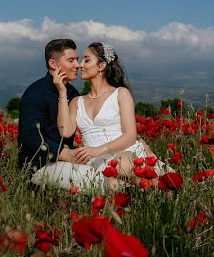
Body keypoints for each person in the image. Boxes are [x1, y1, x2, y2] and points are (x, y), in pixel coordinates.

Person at [54, 42, 164, 190]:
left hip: (124, 153)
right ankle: (151, 191)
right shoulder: (76, 102)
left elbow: (130, 135)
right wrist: (62, 92)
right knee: (119, 174)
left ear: (102, 66)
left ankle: (159, 190)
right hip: (95, 161)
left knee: (121, 165)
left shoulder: (120, 94)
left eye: (86, 60)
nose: (80, 65)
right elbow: (65, 131)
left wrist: (96, 150)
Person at [18, 39, 103, 190]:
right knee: (95, 178)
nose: (78, 65)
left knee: (104, 167)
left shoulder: (73, 93)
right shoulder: (35, 93)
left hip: (69, 160)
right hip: (39, 165)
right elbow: (30, 137)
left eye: (77, 59)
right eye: (71, 60)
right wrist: (66, 154)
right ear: (53, 64)